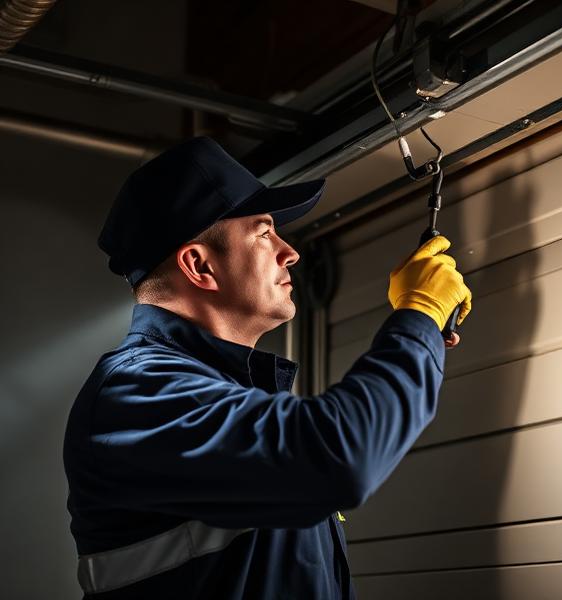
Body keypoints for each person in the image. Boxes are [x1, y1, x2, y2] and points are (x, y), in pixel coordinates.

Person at [62, 136, 472, 599]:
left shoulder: (224, 394)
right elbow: (340, 457)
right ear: (199, 266)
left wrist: (421, 334)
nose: (289, 251)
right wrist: (418, 314)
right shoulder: (138, 393)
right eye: (263, 233)